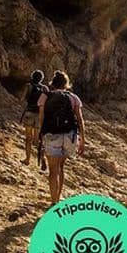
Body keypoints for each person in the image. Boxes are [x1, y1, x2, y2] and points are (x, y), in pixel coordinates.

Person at [38, 71, 85, 204]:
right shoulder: (74, 97)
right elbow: (80, 119)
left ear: (52, 83)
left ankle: (54, 202)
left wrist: (41, 134)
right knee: (61, 167)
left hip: (51, 135)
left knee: (53, 170)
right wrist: (82, 139)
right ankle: (58, 198)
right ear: (66, 84)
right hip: (69, 136)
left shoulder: (45, 96)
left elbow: (41, 117)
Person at [20, 70, 48, 167]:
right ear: (41, 79)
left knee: (28, 138)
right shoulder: (44, 88)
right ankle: (42, 158)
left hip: (29, 113)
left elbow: (22, 98)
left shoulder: (28, 86)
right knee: (37, 140)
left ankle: (27, 159)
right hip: (40, 115)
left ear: (32, 77)